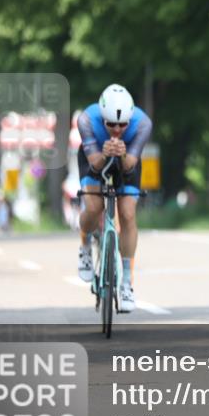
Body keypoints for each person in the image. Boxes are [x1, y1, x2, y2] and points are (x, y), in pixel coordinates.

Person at [75, 84, 152, 312]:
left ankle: (126, 282)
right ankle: (85, 246)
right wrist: (105, 153)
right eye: (111, 124)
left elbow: (130, 165)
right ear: (102, 119)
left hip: (127, 161)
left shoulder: (143, 123)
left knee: (127, 214)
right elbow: (95, 164)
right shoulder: (86, 120)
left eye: (122, 125)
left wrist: (122, 153)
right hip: (94, 159)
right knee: (93, 207)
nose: (117, 129)